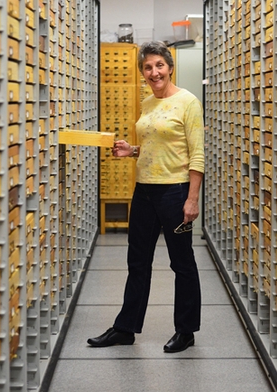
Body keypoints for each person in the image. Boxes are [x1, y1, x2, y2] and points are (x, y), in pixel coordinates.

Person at [87, 41, 204, 353]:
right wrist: (132, 150)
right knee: (137, 261)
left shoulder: (188, 102)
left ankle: (186, 330)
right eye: (148, 68)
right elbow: (157, 145)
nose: (154, 72)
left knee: (182, 263)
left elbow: (197, 155)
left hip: (174, 192)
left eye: (159, 66)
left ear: (170, 67)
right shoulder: (148, 103)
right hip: (144, 191)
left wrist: (191, 199)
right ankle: (125, 328)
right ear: (143, 73)